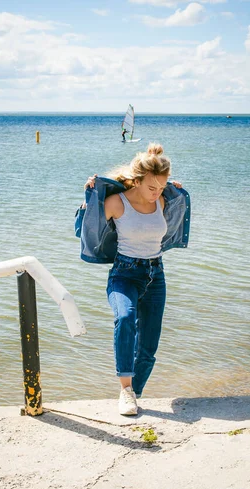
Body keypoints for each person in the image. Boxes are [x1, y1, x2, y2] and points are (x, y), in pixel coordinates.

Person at [75, 143, 190, 416]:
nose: (157, 193)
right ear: (136, 181)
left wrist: (173, 191)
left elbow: (175, 220)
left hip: (155, 275)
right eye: (152, 188)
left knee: (149, 347)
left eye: (161, 188)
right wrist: (88, 198)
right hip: (124, 274)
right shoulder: (117, 202)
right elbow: (86, 227)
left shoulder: (162, 200)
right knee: (124, 318)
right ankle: (125, 389)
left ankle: (132, 394)